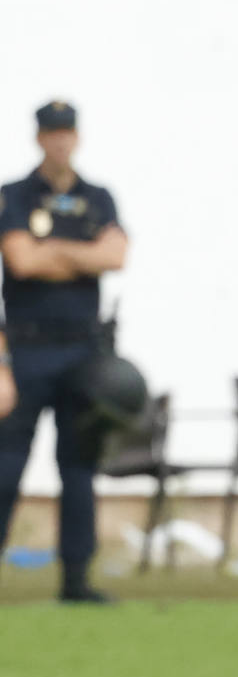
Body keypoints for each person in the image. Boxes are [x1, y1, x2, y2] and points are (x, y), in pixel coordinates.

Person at [0, 101, 128, 604]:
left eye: (66, 133)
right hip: (27, 348)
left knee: (78, 467)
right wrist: (81, 255)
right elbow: (21, 261)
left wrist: (53, 249)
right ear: (38, 138)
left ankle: (76, 577)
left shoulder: (97, 198)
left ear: (76, 138)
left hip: (83, 353)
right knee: (8, 464)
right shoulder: (14, 195)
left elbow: (115, 255)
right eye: (51, 134)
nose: (59, 142)